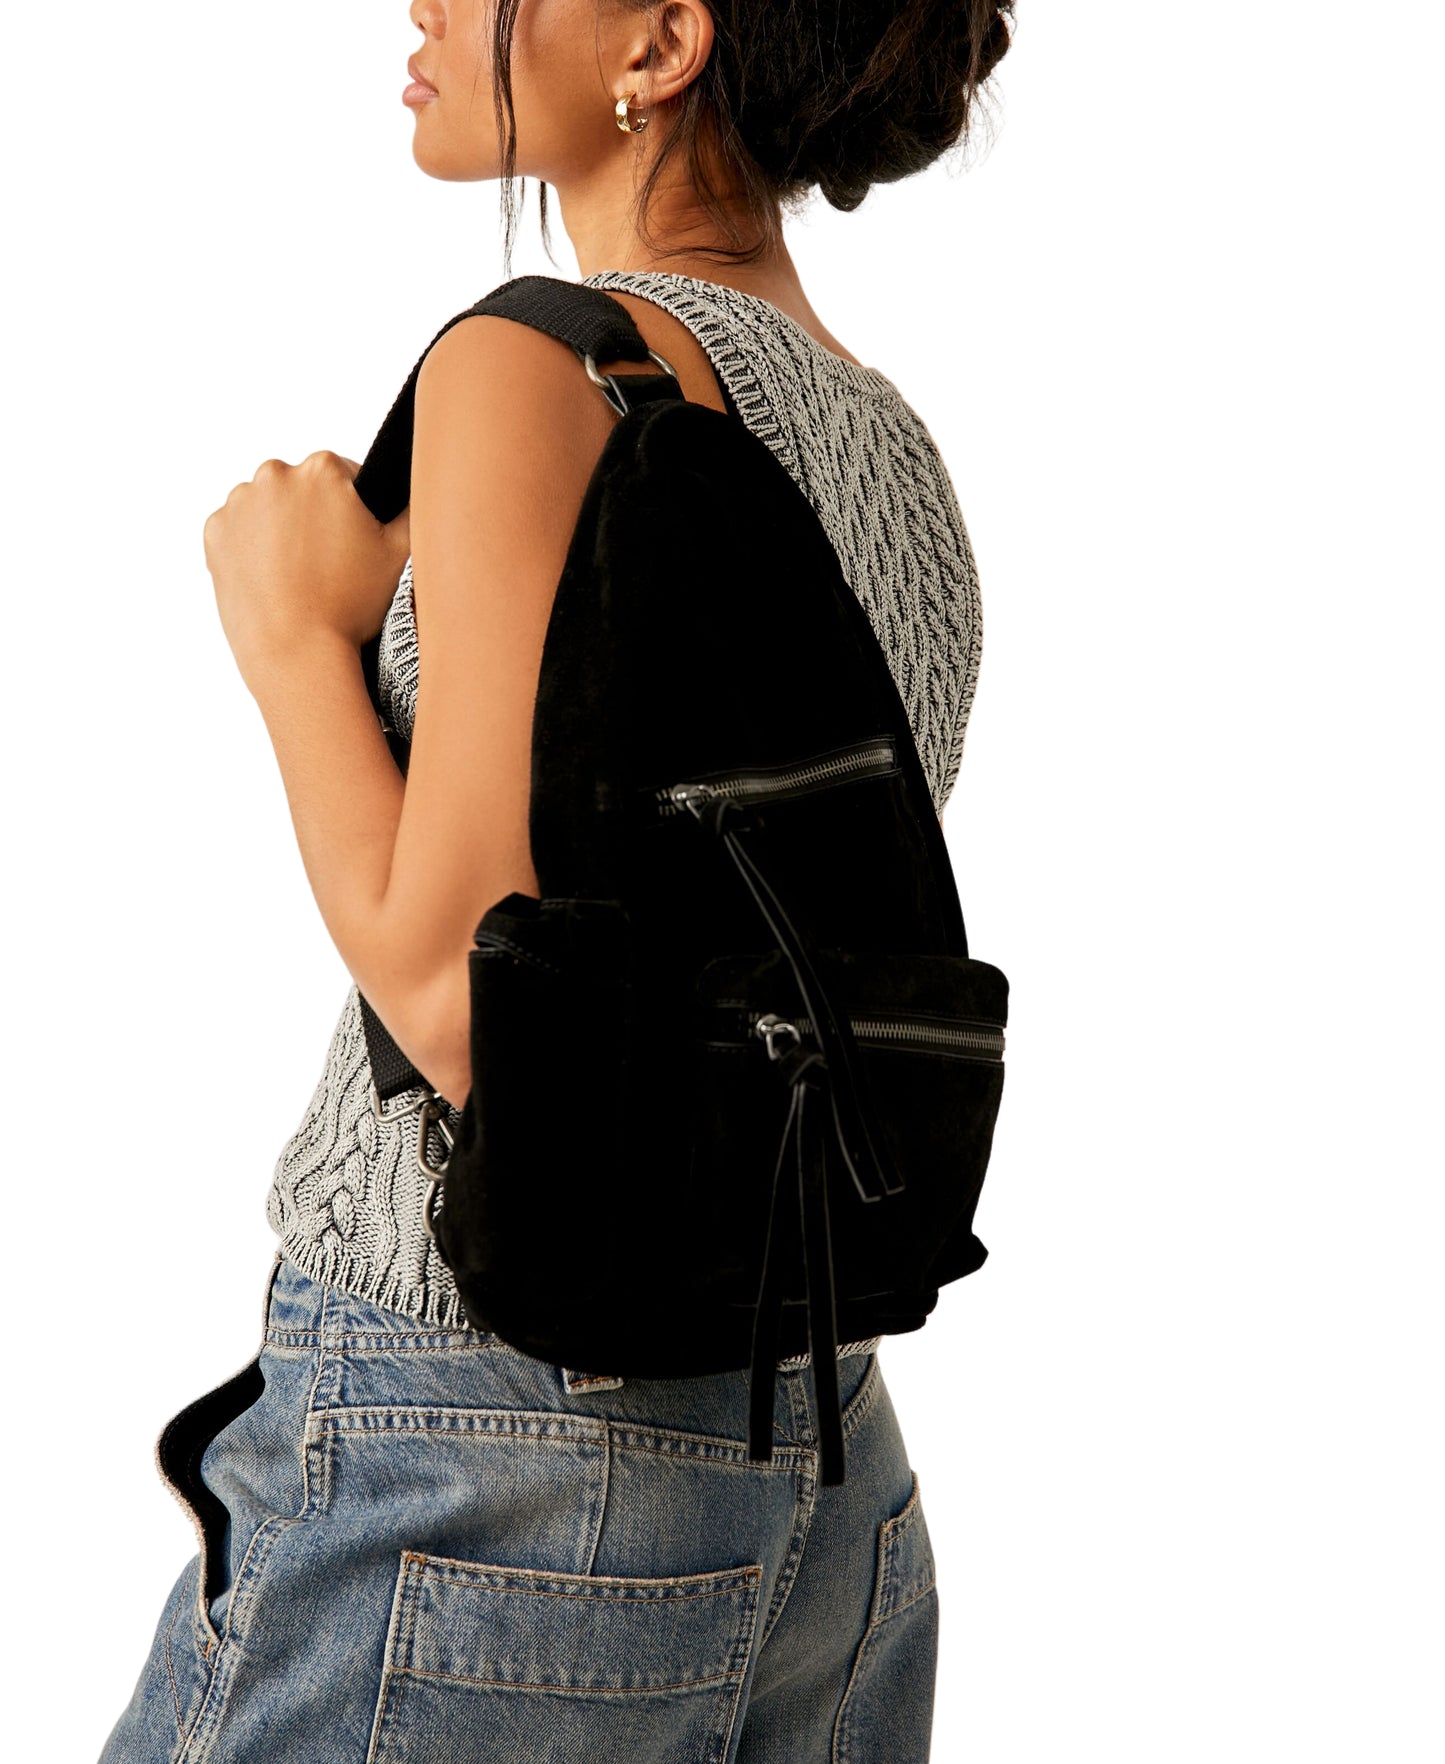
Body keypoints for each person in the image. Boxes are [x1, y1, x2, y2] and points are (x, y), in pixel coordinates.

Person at [99, 2, 1013, 1759]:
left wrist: (290, 639)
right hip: (820, 1470)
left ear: (661, 44)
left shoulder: (532, 369)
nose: (428, 5)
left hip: (485, 1436)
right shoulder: (889, 442)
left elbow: (465, 1007)